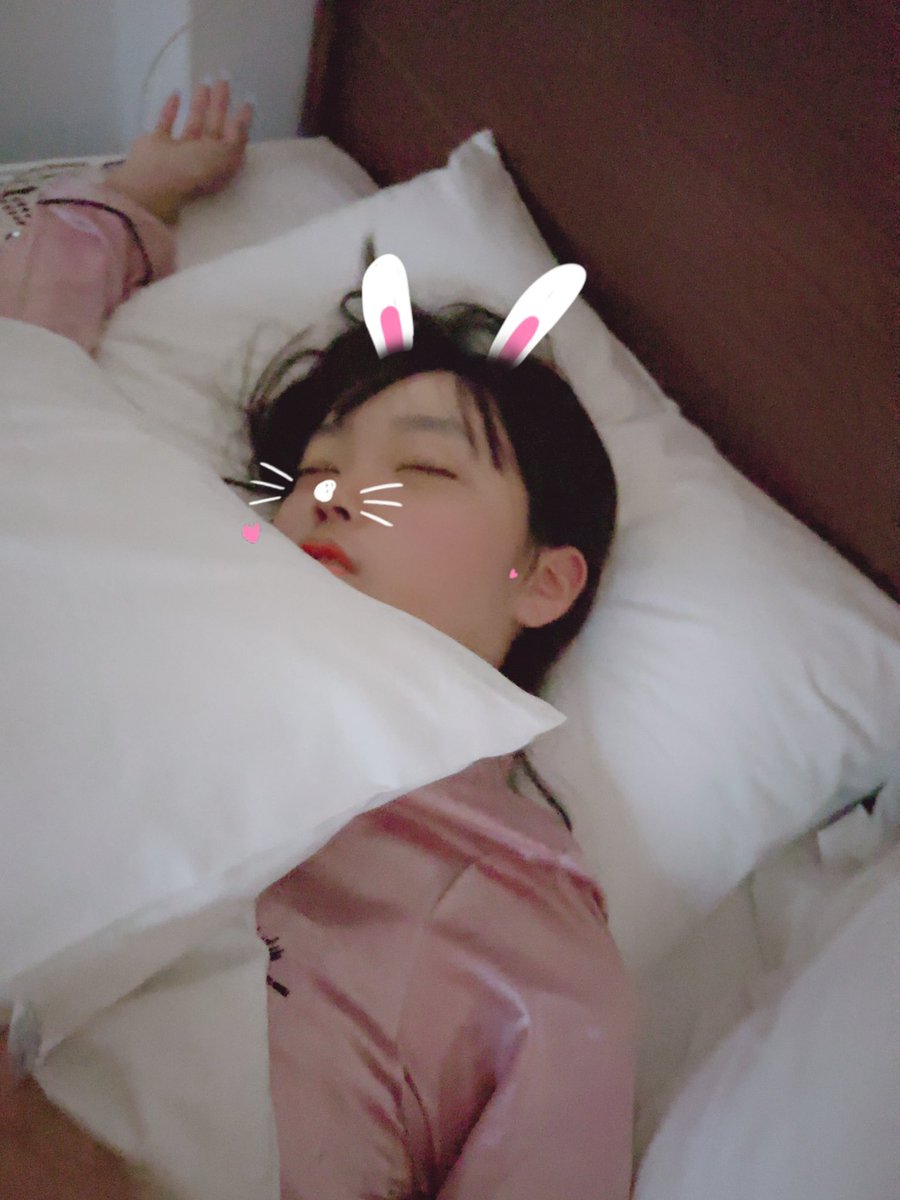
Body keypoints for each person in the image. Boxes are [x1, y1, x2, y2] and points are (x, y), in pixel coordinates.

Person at [0, 81, 639, 1199]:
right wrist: (137, 197)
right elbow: (27, 405)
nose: (337, 495)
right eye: (317, 470)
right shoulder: (181, 588)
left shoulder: (525, 934)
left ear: (543, 580)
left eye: (424, 468)